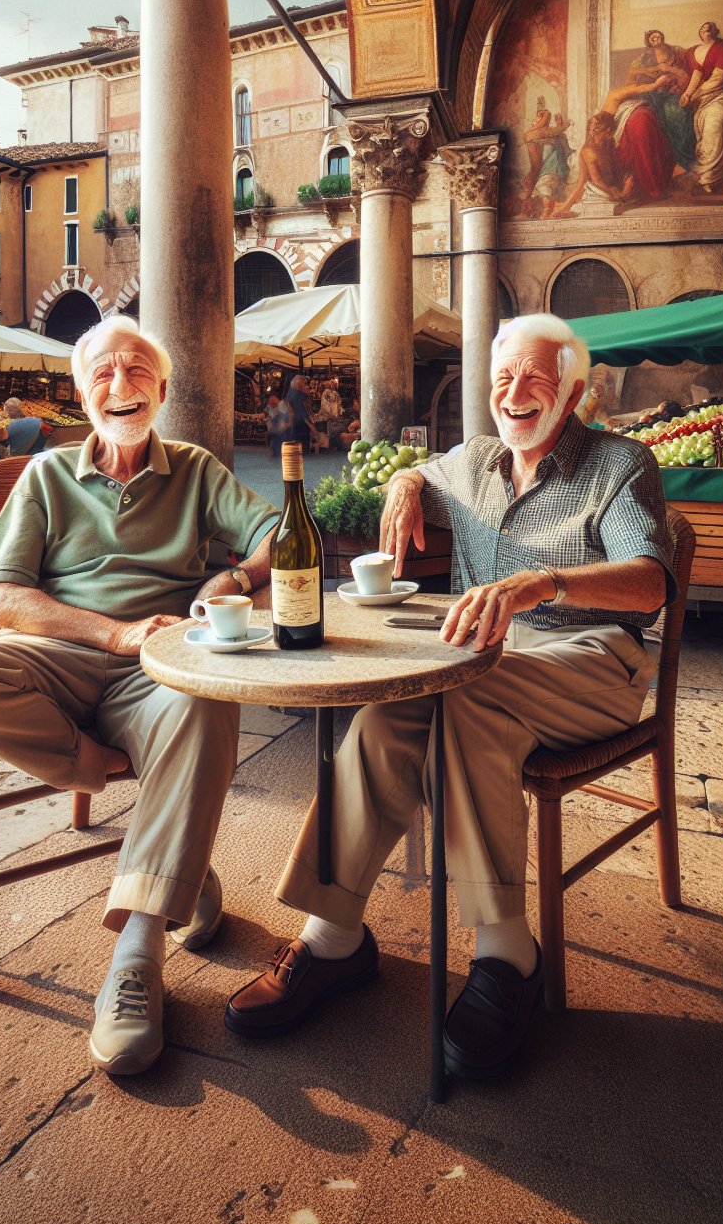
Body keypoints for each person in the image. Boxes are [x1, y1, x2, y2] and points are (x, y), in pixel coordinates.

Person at [225, 314, 673, 1082]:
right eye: (503, 378)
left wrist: (548, 582)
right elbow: (418, 474)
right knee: (390, 708)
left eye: (535, 376)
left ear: (572, 390)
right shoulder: (469, 462)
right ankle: (333, 937)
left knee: (464, 694)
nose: (515, 392)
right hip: (489, 660)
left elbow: (649, 580)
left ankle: (509, 954)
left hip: (597, 659)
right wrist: (404, 482)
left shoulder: (620, 465)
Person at [0, 316, 279, 1077]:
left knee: (207, 696)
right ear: (79, 391)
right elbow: (3, 601)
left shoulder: (196, 469)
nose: (120, 384)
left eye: (137, 370)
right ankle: (171, 844)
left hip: (159, 669)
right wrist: (111, 635)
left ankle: (137, 958)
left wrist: (228, 579)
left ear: (163, 390)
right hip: (54, 659)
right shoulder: (44, 474)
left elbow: (275, 528)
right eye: (102, 371)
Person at [678, 21, 723, 193]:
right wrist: (687, 94)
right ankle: (702, 172)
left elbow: (719, 79)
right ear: (699, 33)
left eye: (710, 28)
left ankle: (710, 176)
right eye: (703, 28)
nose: (706, 30)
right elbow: (697, 73)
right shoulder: (695, 51)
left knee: (715, 121)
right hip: (702, 96)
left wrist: (695, 95)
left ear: (716, 32)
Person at [285, 374, 316, 456]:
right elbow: (301, 410)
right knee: (301, 445)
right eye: (304, 383)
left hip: (298, 424)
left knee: (299, 445)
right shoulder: (297, 395)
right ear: (297, 383)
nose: (305, 385)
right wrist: (310, 424)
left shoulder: (292, 394)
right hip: (300, 423)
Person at [266, 392, 293, 459]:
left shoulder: (281, 405)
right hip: (278, 428)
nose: (271, 403)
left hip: (281, 428)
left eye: (272, 401)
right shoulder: (276, 408)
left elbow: (283, 416)